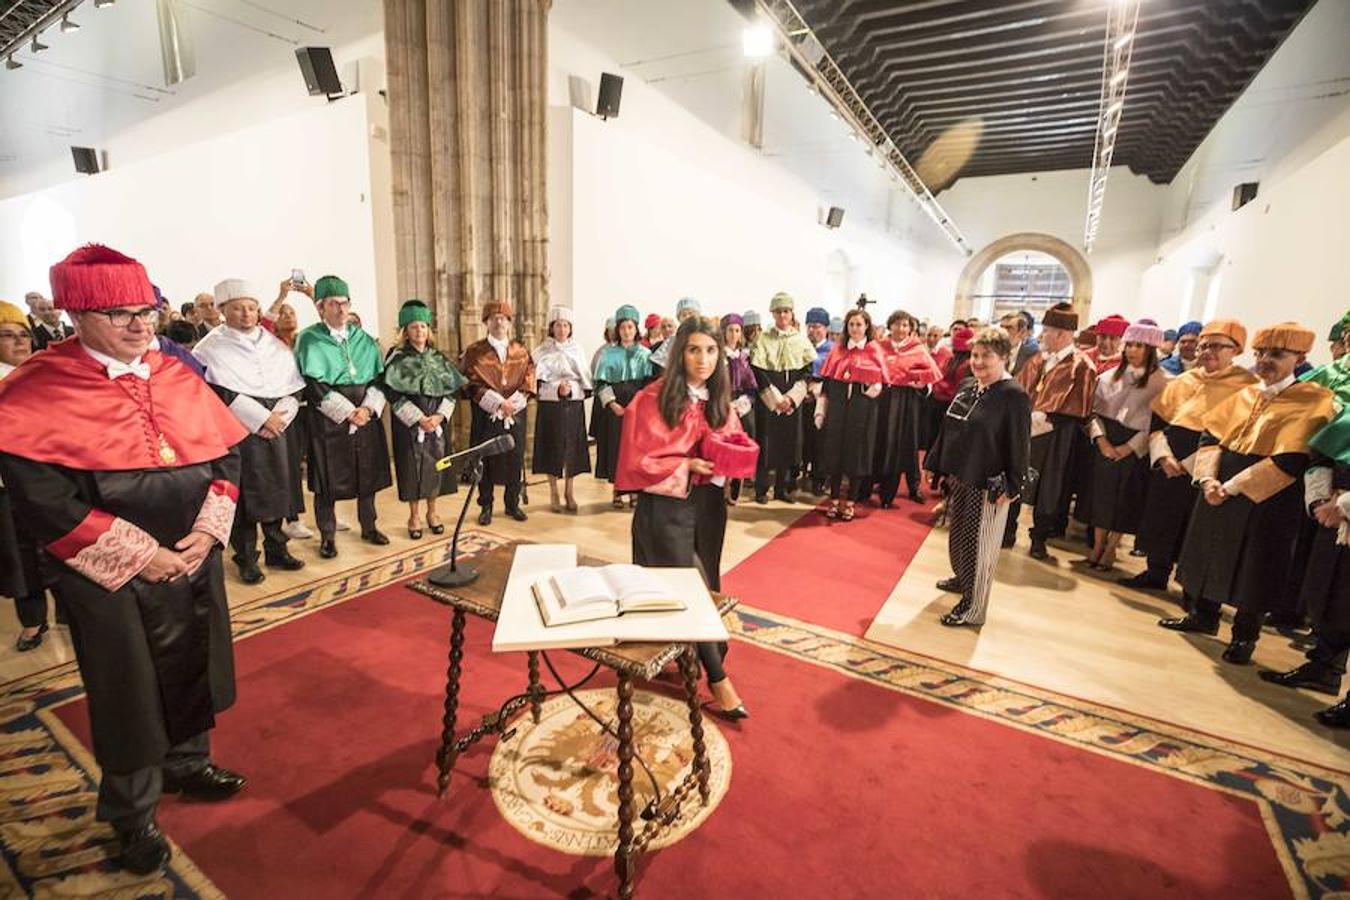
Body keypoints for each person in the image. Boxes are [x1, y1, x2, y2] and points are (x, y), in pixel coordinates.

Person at [0, 244, 249, 875]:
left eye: (147, 310)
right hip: (106, 574)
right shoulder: (35, 389)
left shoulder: (175, 374)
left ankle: (188, 764)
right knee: (127, 692)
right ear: (76, 314)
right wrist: (142, 556)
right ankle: (131, 812)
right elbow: (41, 499)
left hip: (191, 556)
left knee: (195, 658)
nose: (141, 327)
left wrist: (207, 531)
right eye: (119, 314)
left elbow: (226, 458)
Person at [1160, 322, 1336, 665]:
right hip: (1219, 484)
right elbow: (1211, 436)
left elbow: (1292, 457)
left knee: (1255, 564)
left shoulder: (1315, 399)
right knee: (1209, 548)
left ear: (1300, 357)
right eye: (1261, 353)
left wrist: (1233, 486)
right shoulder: (1244, 393)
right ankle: (1203, 614)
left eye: (1277, 354)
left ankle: (1244, 636)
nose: (1266, 360)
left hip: (1268, 494)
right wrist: (1207, 480)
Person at [615, 316, 759, 720]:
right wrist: (686, 465)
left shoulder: (718, 402)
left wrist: (732, 460)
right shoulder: (652, 399)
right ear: (680, 353)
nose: (703, 359)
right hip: (667, 508)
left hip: (708, 507)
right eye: (694, 349)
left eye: (711, 350)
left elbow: (730, 441)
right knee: (689, 584)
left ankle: (693, 649)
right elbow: (637, 459)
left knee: (705, 580)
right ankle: (718, 678)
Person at [1122, 320, 1256, 590]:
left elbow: (1239, 431)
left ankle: (1191, 585)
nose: (1208, 351)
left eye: (1217, 346)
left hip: (1211, 463)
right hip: (1170, 458)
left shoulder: (1248, 386)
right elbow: (1159, 421)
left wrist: (1193, 464)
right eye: (1204, 345)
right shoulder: (1185, 379)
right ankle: (1155, 572)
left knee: (1196, 527)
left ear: (1236, 350)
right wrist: (1163, 456)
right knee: (1161, 517)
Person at [191, 279, 307, 584]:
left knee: (278, 489)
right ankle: (246, 557)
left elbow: (293, 387)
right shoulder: (210, 348)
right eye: (238, 308)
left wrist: (281, 417)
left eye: (252, 308)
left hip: (279, 427)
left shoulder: (273, 343)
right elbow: (216, 392)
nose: (246, 314)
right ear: (223, 310)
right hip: (239, 430)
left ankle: (277, 549)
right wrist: (260, 419)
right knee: (244, 496)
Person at [1259, 348, 1350, 708]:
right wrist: (1318, 502)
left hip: (1341, 510)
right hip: (1331, 518)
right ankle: (1324, 667)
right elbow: (1322, 457)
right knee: (1329, 594)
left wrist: (1342, 505)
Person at [928, 327, 1031, 626]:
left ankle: (973, 609)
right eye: (975, 355)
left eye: (987, 356)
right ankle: (962, 580)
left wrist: (1013, 486)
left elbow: (1020, 444)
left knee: (979, 547)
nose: (979, 361)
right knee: (959, 538)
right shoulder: (970, 385)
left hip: (990, 484)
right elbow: (951, 427)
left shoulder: (1014, 396)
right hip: (962, 475)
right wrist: (937, 463)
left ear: (1004, 358)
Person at [294, 275, 392, 557]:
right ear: (321, 307)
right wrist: (348, 412)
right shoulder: (309, 340)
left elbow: (379, 379)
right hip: (329, 420)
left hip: (366, 414)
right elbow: (313, 384)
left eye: (344, 303)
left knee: (368, 474)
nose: (340, 309)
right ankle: (327, 534)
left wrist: (368, 409)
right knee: (327, 480)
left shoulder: (364, 340)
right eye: (333, 304)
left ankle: (369, 526)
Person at [1077, 319, 1170, 570]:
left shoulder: (1163, 382)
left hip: (1136, 444)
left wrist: (1129, 448)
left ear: (1150, 349)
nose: (1132, 350)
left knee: (1124, 500)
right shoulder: (1108, 376)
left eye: (1139, 345)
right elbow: (1093, 413)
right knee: (1100, 497)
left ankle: (1111, 548)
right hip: (1107, 438)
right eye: (1129, 344)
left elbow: (1157, 423)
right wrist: (1102, 441)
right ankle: (1096, 546)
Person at [1015, 302, 1098, 560]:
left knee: (1049, 487)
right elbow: (1021, 388)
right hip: (1028, 428)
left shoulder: (1082, 365)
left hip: (1059, 433)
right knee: (1016, 476)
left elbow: (1081, 406)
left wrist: (1048, 416)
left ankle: (1039, 537)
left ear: (1062, 334)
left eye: (1047, 331)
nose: (1043, 336)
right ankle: (1006, 531)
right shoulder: (1038, 359)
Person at [381, 300, 466, 538]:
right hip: (410, 424)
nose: (419, 331)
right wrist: (418, 418)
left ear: (429, 330)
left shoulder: (438, 357)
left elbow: (451, 390)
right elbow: (392, 392)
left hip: (437, 422)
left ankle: (433, 512)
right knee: (412, 470)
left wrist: (439, 416)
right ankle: (414, 515)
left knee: (436, 467)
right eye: (414, 327)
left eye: (423, 326)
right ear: (405, 332)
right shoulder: (397, 358)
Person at [0, 301, 50, 651]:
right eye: (7, 335)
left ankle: (69, 612)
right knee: (22, 557)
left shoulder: (45, 374)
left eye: (23, 335)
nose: (19, 342)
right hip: (8, 486)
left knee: (61, 546)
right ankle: (33, 621)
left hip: (52, 480)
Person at [460, 299, 536, 525]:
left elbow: (530, 379)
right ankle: (486, 505)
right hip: (487, 415)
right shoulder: (475, 351)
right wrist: (495, 402)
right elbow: (468, 383)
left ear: (509, 323)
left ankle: (512, 504)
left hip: (515, 414)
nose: (499, 322)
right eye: (494, 318)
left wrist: (514, 402)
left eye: (503, 318)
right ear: (486, 322)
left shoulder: (521, 350)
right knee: (487, 459)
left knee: (514, 457)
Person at [815, 309, 887, 520]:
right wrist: (821, 411)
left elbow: (879, 385)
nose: (855, 328)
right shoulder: (837, 350)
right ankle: (835, 500)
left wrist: (868, 385)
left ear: (867, 327)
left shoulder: (874, 350)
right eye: (851, 324)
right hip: (838, 410)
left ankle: (851, 502)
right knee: (835, 455)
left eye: (859, 324)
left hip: (861, 411)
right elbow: (827, 384)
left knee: (856, 456)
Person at [749, 292, 816, 504]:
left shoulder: (801, 339)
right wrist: (775, 398)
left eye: (786, 311)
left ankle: (782, 488)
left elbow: (807, 371)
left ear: (791, 313)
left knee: (789, 443)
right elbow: (758, 371)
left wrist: (792, 398)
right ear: (773, 313)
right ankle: (762, 489)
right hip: (770, 396)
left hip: (792, 398)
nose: (782, 315)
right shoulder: (763, 338)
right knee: (766, 442)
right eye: (778, 312)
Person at [874, 310, 943, 506]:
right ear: (890, 326)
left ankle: (913, 486)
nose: (901, 329)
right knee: (883, 441)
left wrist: (922, 385)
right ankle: (879, 483)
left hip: (908, 402)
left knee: (908, 444)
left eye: (905, 325)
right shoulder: (880, 347)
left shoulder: (918, 348)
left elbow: (930, 378)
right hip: (884, 400)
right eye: (897, 324)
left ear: (911, 328)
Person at [593, 305, 655, 507]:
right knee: (617, 449)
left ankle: (636, 489)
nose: (627, 331)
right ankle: (618, 490)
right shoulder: (609, 354)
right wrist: (613, 404)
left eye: (630, 327)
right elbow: (601, 383)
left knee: (636, 449)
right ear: (617, 330)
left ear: (636, 329)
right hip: (616, 408)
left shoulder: (645, 354)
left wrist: (638, 405)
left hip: (638, 406)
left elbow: (648, 384)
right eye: (622, 328)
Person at [531, 306, 592, 512]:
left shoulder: (577, 350)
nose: (562, 329)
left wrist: (570, 389)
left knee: (571, 449)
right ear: (552, 327)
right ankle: (554, 491)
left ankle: (569, 491)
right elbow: (536, 384)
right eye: (558, 325)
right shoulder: (541, 351)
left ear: (570, 328)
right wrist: (557, 389)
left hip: (573, 405)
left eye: (565, 325)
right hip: (550, 406)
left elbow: (585, 383)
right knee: (551, 448)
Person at [721, 313, 758, 504]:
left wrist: (744, 402)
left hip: (741, 403)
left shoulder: (745, 357)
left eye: (737, 330)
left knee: (741, 441)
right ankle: (722, 486)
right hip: (722, 403)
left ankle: (737, 484)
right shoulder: (718, 355)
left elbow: (751, 385)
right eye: (730, 330)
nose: (734, 334)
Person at [801, 307, 834, 495]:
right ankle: (801, 470)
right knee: (804, 438)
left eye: (818, 326)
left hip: (822, 399)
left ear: (826, 328)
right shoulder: (802, 347)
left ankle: (819, 479)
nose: (814, 330)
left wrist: (818, 389)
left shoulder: (833, 351)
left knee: (820, 440)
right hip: (802, 398)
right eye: (810, 326)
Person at [650, 297, 702, 371]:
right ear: (679, 318)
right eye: (684, 315)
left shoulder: (706, 339)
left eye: (691, 313)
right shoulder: (671, 342)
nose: (687, 317)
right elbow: (660, 366)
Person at [998, 311, 1039, 376]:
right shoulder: (993, 350)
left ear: (1022, 332)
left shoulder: (1032, 353)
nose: (1003, 332)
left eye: (1008, 328)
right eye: (1001, 327)